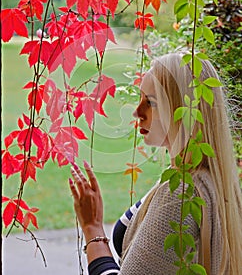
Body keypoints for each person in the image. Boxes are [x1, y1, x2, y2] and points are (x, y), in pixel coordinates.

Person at [69, 52, 242, 275]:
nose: (137, 112)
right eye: (141, 99)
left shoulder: (181, 194)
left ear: (185, 111)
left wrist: (92, 229)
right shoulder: (205, 178)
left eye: (150, 102)